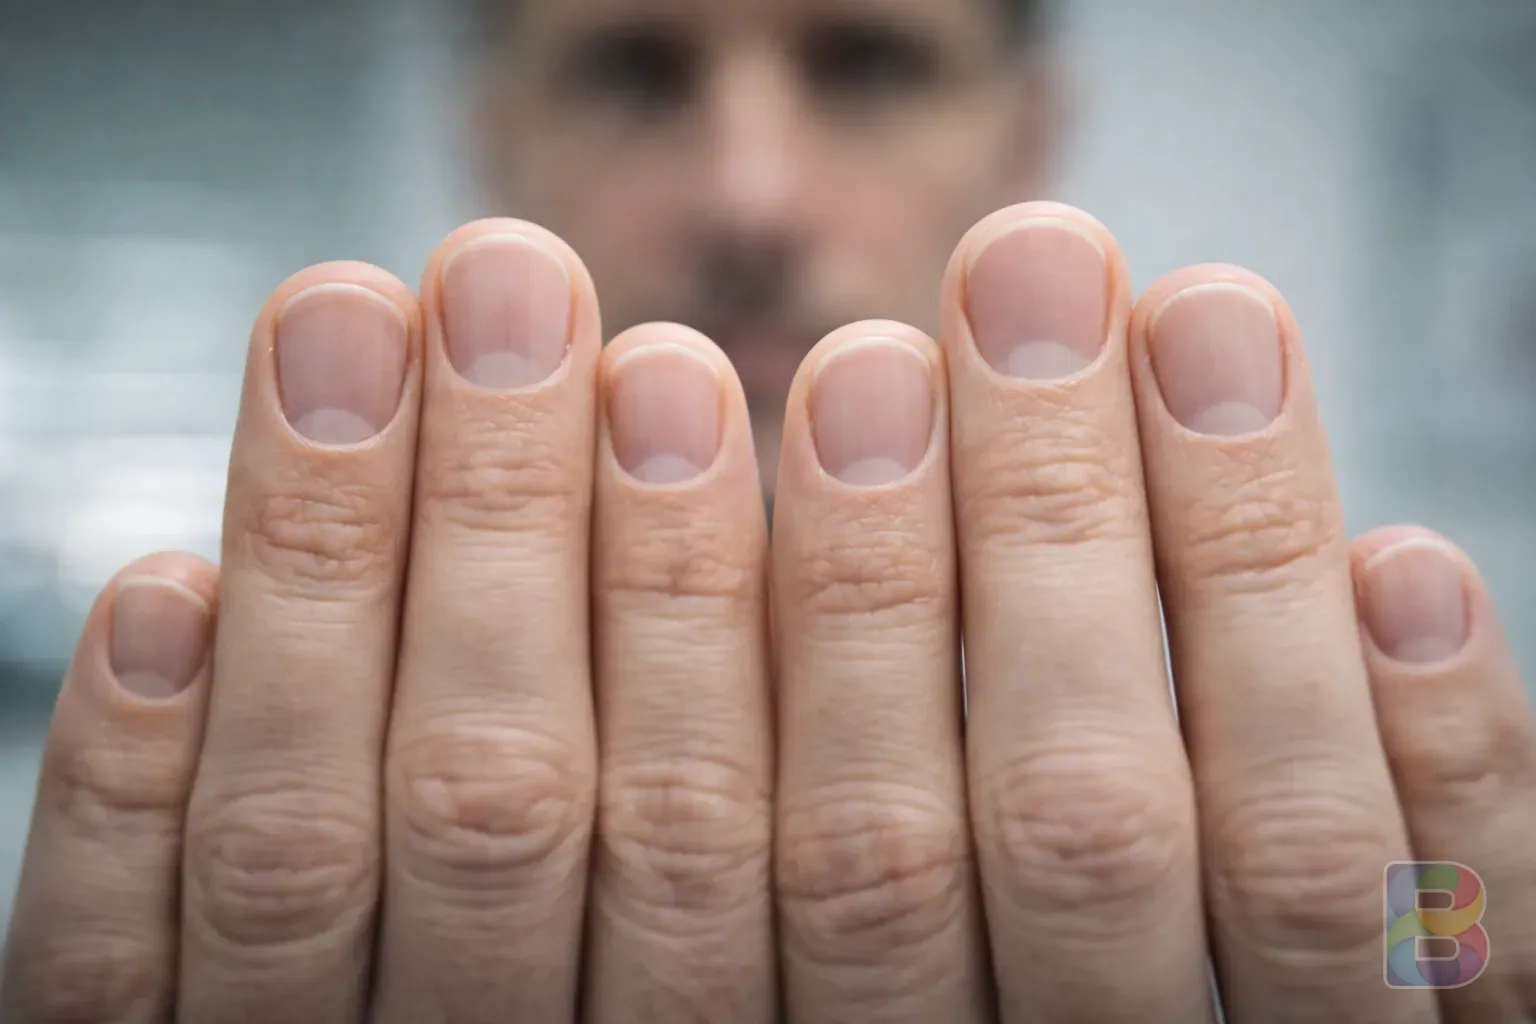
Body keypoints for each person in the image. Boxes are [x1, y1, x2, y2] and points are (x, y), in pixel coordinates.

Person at [2, 0, 1531, 1020]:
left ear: (1027, 138)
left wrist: (1460, 958)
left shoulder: (1315, 698)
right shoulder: (222, 792)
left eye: (868, 63)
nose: (751, 193)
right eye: (633, 69)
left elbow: (1428, 915)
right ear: (492, 134)